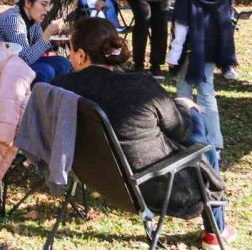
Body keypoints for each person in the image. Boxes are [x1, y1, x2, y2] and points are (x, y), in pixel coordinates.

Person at [53, 17, 235, 250]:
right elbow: (181, 130)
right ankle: (215, 229)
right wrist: (183, 105)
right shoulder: (140, 87)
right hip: (152, 187)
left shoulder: (60, 88)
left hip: (99, 178)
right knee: (198, 128)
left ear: (80, 55)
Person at [167, 0, 237, 153]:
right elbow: (228, 13)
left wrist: (174, 53)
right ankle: (214, 142)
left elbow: (182, 20)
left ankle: (187, 138)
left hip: (190, 47)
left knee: (184, 90)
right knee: (207, 92)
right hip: (214, 45)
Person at [0, 0, 72, 84]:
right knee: (46, 71)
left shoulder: (33, 19)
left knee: (64, 63)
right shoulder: (13, 19)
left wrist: (55, 41)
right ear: (28, 3)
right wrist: (48, 33)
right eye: (43, 4)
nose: (47, 10)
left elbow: (38, 45)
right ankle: (35, 99)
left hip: (16, 62)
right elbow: (25, 59)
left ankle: (54, 97)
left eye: (48, 5)